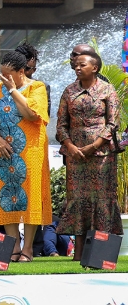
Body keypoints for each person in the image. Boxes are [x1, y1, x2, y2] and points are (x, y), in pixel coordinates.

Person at [0, 46, 51, 262]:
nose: (3, 77)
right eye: (2, 73)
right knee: (6, 195)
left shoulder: (37, 88)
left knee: (30, 196)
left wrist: (13, 91)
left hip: (30, 151)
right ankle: (13, 246)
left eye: (8, 73)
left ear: (21, 72)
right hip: (3, 151)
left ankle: (28, 249)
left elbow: (32, 115)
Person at [56, 52, 121, 261]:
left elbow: (113, 123)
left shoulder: (107, 90)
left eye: (82, 65)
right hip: (76, 156)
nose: (77, 67)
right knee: (78, 200)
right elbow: (61, 125)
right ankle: (80, 251)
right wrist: (70, 146)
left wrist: (94, 145)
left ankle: (101, 253)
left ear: (94, 68)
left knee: (102, 200)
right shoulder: (69, 91)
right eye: (76, 65)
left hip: (102, 155)